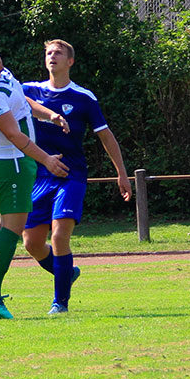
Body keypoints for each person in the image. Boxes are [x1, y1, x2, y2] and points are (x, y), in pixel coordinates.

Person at [21, 39, 132, 315]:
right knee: (31, 243)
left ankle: (60, 302)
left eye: (58, 53)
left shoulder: (84, 97)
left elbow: (106, 136)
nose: (52, 56)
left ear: (70, 61)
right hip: (39, 177)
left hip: (71, 176)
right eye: (48, 53)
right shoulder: (29, 91)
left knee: (59, 236)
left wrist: (122, 173)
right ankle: (67, 273)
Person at [0, 36, 70, 319]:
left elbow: (23, 101)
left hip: (22, 163)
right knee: (10, 229)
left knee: (16, 228)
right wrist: (46, 158)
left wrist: (50, 115)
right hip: (11, 163)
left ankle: (64, 272)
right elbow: (14, 134)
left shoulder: (3, 75)